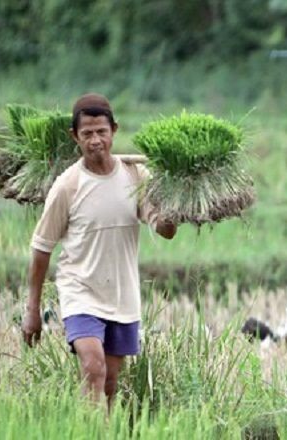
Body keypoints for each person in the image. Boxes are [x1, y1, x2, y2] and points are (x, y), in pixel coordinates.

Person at [21, 93, 177, 410]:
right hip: (80, 291)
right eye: (87, 133)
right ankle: (90, 431)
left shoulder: (135, 176)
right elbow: (41, 248)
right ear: (74, 136)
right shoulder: (68, 185)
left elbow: (166, 230)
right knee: (93, 368)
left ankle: (100, 429)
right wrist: (32, 310)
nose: (95, 141)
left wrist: (176, 197)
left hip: (121, 294)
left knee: (109, 383)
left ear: (114, 130)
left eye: (102, 132)